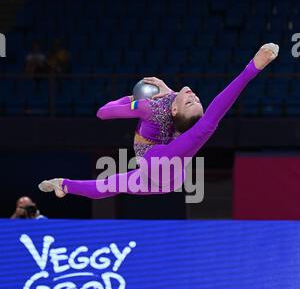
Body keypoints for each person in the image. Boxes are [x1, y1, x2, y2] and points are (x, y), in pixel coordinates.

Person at [38, 43, 279, 200]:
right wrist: (171, 92)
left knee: (112, 183)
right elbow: (179, 107)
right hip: (162, 179)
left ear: (175, 109)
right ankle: (64, 184)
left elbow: (102, 112)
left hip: (159, 164)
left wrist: (253, 68)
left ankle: (65, 185)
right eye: (195, 99)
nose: (193, 94)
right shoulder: (172, 103)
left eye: (190, 101)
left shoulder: (149, 107)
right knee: (109, 185)